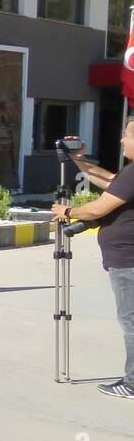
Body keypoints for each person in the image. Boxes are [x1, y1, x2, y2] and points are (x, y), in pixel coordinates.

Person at [53, 125, 134, 400]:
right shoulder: (130, 174)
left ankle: (133, 383)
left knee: (130, 322)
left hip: (128, 260)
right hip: (126, 258)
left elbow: (98, 208)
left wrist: (67, 211)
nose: (121, 139)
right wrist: (75, 158)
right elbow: (110, 180)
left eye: (127, 134)